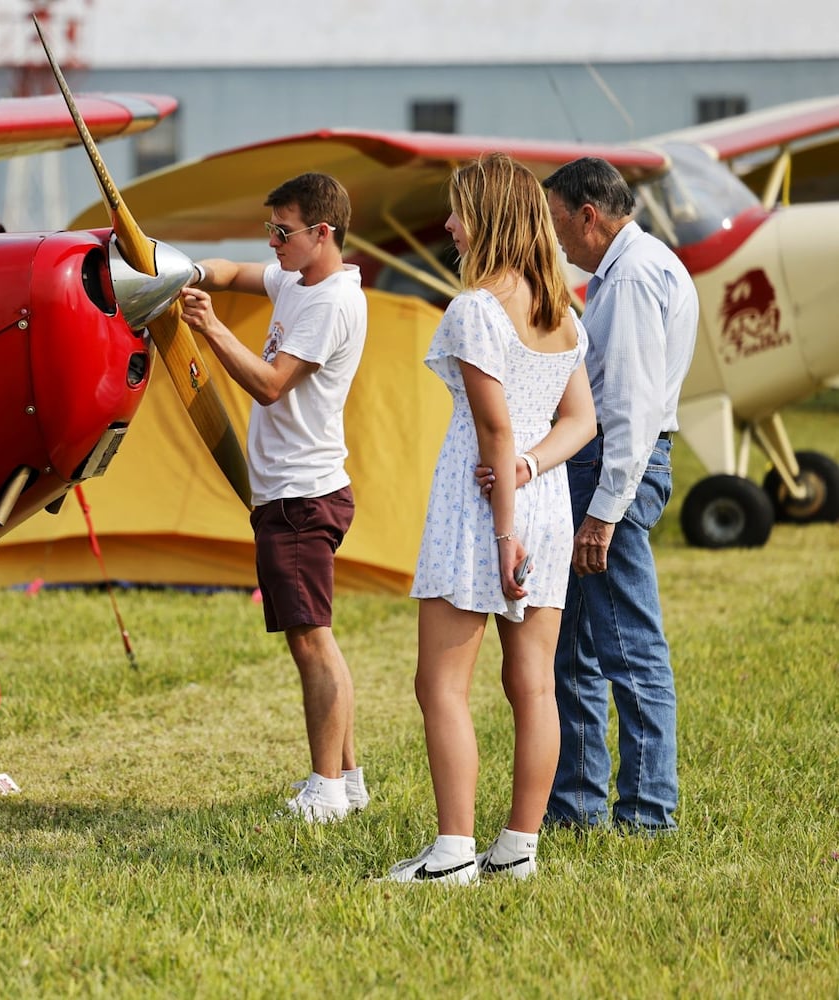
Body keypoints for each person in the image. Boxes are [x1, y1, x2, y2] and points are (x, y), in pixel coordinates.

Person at [385, 153, 596, 884]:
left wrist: (504, 524)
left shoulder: (475, 309)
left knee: (439, 685)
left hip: (480, 514)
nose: (447, 223)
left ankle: (450, 856)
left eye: (457, 210)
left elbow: (493, 432)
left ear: (487, 219)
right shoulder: (559, 311)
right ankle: (517, 849)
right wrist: (532, 472)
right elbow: (580, 421)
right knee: (532, 682)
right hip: (543, 504)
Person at [180, 172, 368, 823]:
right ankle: (346, 777)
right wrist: (192, 270)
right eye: (270, 230)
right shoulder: (298, 279)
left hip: (299, 498)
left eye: (282, 232)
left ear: (322, 233)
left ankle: (325, 789)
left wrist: (211, 331)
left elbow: (270, 384)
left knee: (311, 643)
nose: (272, 242)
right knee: (316, 639)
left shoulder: (329, 303)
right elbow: (233, 273)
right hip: (297, 493)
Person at [540, 157, 698, 833]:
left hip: (613, 467)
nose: (554, 243)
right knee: (570, 647)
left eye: (556, 225)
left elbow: (629, 408)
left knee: (626, 648)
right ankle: (577, 806)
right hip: (605, 464)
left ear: (587, 215)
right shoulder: (629, 270)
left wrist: (602, 515)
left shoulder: (631, 276)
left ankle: (645, 813)